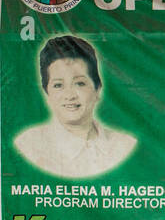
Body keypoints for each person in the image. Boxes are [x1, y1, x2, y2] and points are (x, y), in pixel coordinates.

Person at [13, 35, 136, 178]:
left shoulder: (124, 146)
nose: (69, 95)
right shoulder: (28, 146)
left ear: (97, 89)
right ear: (47, 93)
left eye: (80, 83)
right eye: (58, 85)